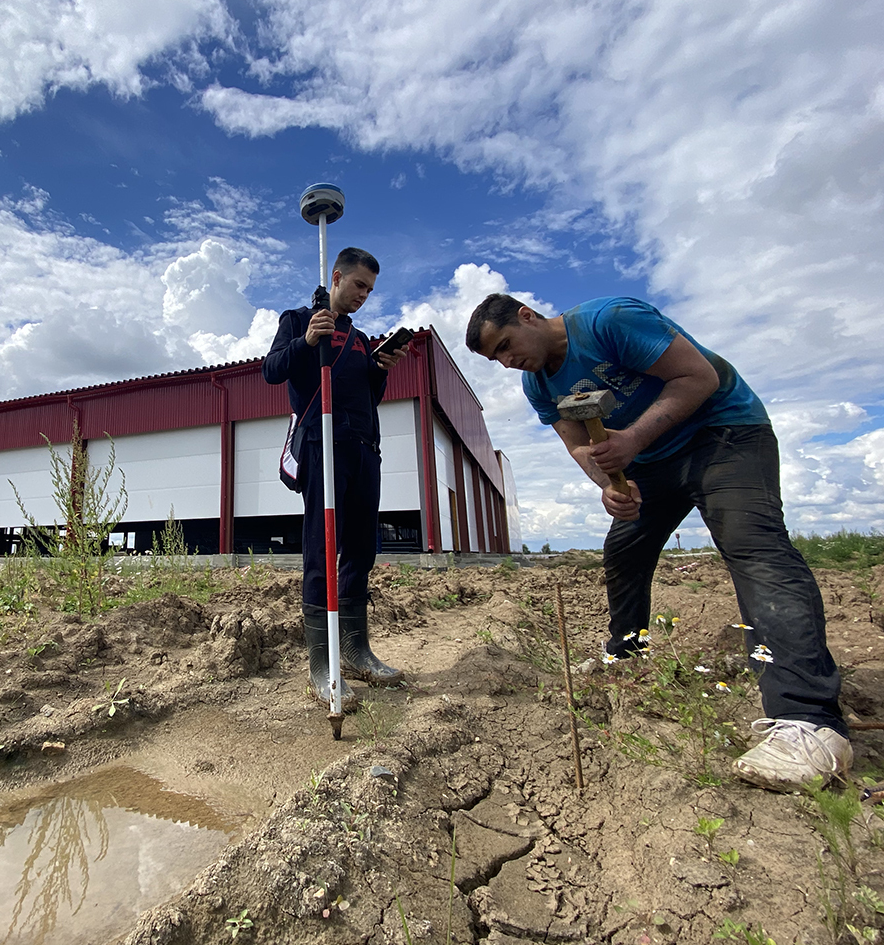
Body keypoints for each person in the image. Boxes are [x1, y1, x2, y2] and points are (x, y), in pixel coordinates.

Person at [466, 293, 851, 791]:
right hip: (649, 464)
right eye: (494, 358)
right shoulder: (537, 383)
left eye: (505, 345)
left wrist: (631, 441)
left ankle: (812, 723)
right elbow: (580, 445)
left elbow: (699, 377)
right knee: (623, 553)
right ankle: (626, 652)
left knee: (756, 552)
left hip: (723, 435)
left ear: (527, 316)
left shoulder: (610, 323)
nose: (506, 360)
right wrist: (609, 485)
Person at [263, 247, 408, 709]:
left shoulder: (362, 339)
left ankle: (355, 650)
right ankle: (321, 665)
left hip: (364, 450)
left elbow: (367, 395)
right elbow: (271, 372)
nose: (364, 294)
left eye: (370, 289)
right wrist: (306, 340)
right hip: (322, 444)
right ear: (338, 275)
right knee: (322, 547)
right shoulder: (298, 319)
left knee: (362, 548)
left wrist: (381, 370)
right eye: (359, 284)